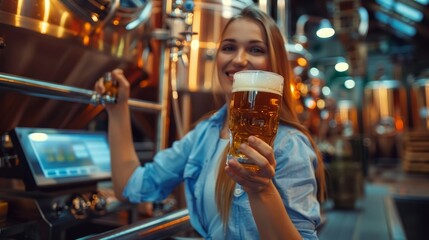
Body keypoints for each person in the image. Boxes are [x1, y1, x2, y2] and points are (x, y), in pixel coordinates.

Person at [95, 5, 326, 240]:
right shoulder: (205, 133)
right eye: (229, 47)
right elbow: (130, 186)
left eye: (256, 49)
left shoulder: (289, 144)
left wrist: (262, 190)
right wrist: (118, 109)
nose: (239, 59)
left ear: (274, 66)